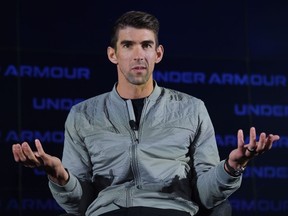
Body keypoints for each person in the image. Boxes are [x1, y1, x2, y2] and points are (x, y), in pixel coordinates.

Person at [12, 10, 280, 216]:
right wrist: (59, 176)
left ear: (158, 53)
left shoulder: (191, 108)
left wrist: (232, 167)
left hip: (173, 211)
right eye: (128, 45)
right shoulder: (83, 115)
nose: (138, 55)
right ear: (112, 54)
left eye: (146, 45)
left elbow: (208, 197)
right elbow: (78, 205)